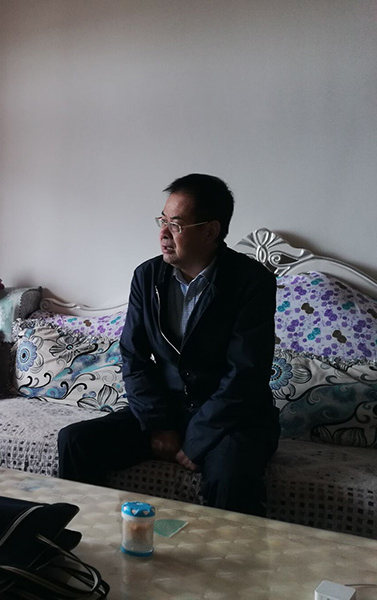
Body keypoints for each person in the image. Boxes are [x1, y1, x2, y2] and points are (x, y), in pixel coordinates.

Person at [58, 174, 279, 516]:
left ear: (210, 231)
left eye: (175, 225)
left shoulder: (252, 282)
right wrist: (159, 424)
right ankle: (85, 536)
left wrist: (196, 439)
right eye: (162, 221)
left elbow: (246, 374)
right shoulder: (147, 277)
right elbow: (134, 356)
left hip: (231, 419)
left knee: (231, 479)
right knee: (75, 441)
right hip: (167, 410)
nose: (163, 233)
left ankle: (224, 554)